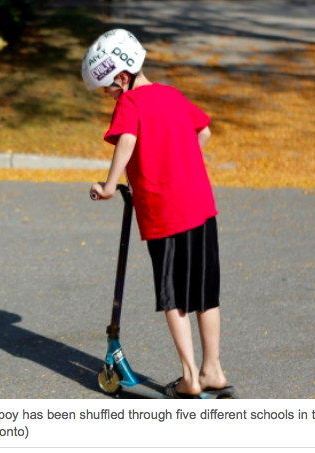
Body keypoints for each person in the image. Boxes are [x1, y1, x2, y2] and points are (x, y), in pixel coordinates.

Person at [82, 29, 234, 398]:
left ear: (122, 76)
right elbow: (205, 132)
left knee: (174, 297)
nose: (109, 96)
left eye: (108, 88)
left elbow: (128, 140)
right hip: (200, 206)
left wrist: (108, 184)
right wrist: (182, 163)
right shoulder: (172, 94)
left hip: (164, 213)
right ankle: (213, 369)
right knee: (204, 293)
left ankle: (190, 379)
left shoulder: (130, 104)